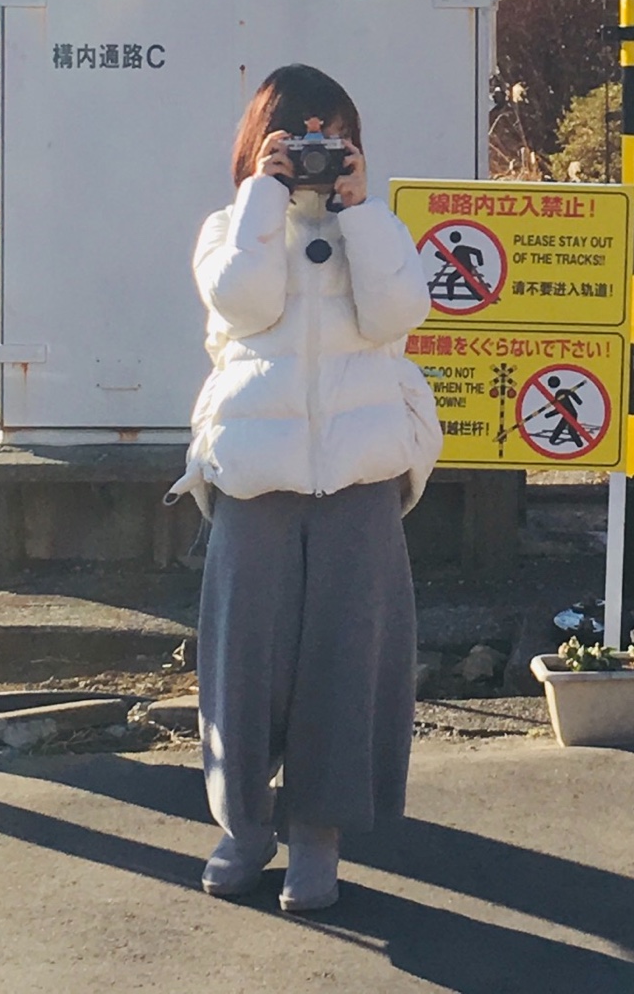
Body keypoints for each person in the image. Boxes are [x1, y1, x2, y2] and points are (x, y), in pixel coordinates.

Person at [168, 63, 441, 913]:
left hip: (360, 477)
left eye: (331, 135)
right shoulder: (230, 227)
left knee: (344, 664)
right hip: (256, 478)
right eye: (296, 137)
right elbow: (241, 303)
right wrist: (262, 197)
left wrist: (362, 212)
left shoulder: (376, 228)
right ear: (260, 143)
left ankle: (318, 839)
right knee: (242, 669)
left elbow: (399, 313)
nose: (315, 154)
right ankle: (243, 828)